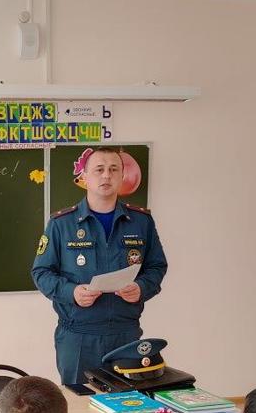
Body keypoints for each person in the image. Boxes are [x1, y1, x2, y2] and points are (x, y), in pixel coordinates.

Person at [32, 147, 167, 385]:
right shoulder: (61, 224)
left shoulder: (141, 221)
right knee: (80, 402)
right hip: (78, 336)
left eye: (113, 169)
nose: (106, 175)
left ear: (122, 176)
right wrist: (72, 292)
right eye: (99, 169)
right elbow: (41, 272)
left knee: (128, 402)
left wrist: (141, 288)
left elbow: (157, 266)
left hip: (125, 334)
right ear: (84, 176)